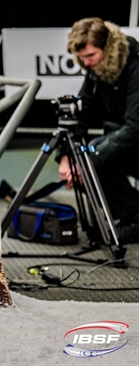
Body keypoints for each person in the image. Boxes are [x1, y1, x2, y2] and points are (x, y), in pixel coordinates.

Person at [57, 17, 139, 242]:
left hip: (134, 137)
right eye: (81, 57)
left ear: (107, 47)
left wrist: (88, 161)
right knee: (85, 156)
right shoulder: (96, 68)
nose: (86, 62)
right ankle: (131, 215)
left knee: (92, 155)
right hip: (128, 139)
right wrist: (66, 156)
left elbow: (135, 128)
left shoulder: (135, 66)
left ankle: (134, 216)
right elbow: (80, 115)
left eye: (91, 55)